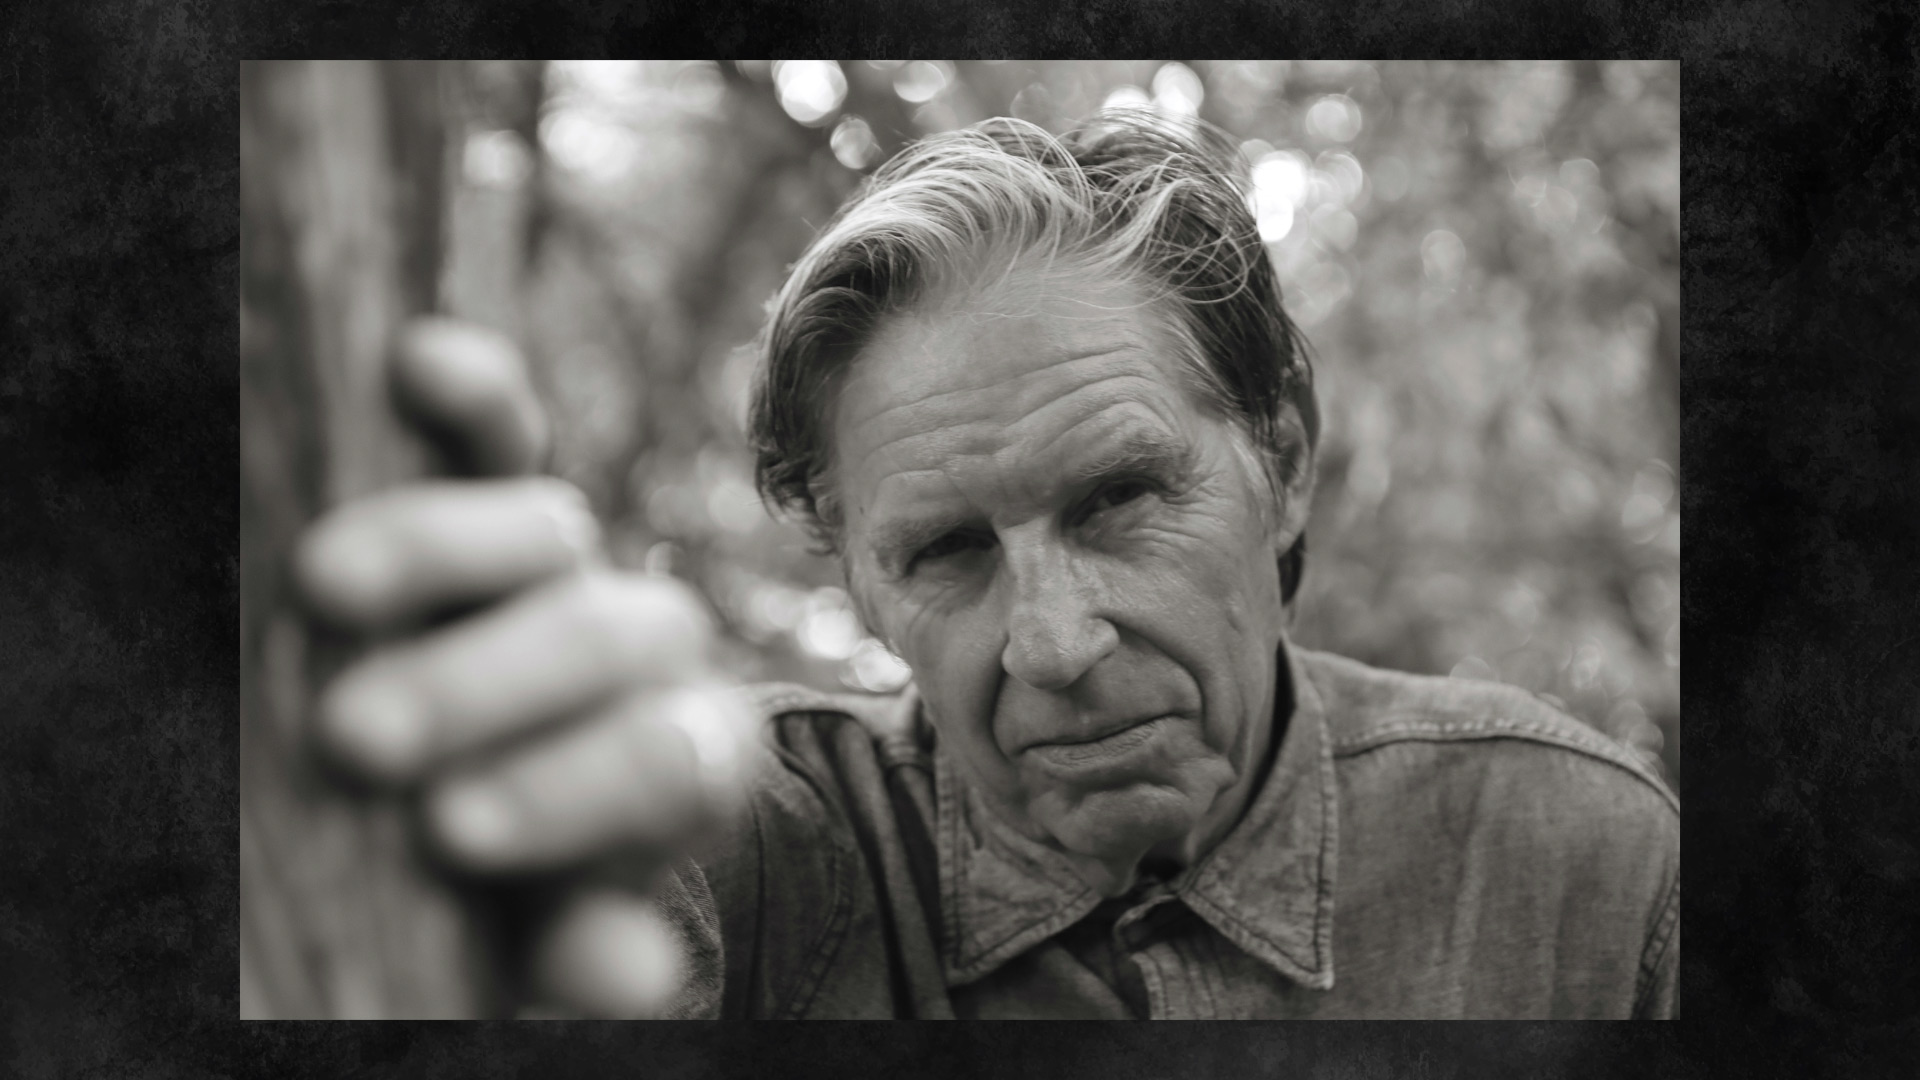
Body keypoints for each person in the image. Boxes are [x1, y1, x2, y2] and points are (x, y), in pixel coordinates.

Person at [294, 112, 1679, 1019]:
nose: (1055, 642)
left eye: (1122, 498)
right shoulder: (743, 859)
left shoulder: (1580, 869)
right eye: (950, 552)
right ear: (860, 586)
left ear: (1288, 461)